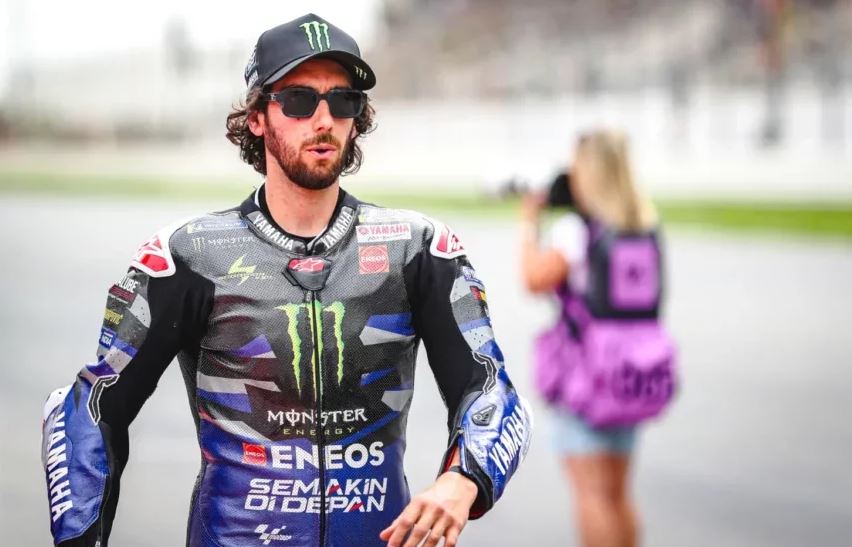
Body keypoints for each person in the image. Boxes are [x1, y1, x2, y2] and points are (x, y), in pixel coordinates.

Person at [41, 13, 532, 547]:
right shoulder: (189, 255)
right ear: (256, 117)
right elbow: (90, 409)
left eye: (343, 101)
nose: (324, 119)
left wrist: (463, 478)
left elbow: (492, 389)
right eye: (299, 100)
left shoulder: (417, 249)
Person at [518, 130, 672, 547]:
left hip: (587, 374)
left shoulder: (576, 230)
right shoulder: (642, 223)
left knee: (591, 493)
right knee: (617, 492)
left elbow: (534, 279)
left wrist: (529, 222)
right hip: (632, 368)